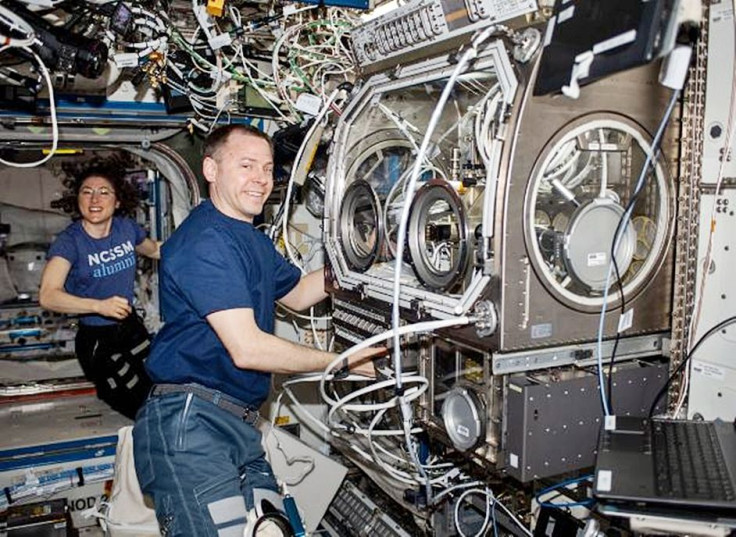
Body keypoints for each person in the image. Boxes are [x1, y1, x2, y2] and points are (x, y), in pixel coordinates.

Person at [132, 124, 378, 537]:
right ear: (211, 169)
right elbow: (247, 349)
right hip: (193, 426)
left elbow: (299, 293)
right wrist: (343, 363)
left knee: (274, 529)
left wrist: (361, 257)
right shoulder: (205, 240)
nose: (261, 179)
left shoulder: (251, 239)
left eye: (266, 168)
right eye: (246, 165)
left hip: (239, 425)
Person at [39, 164, 160, 419]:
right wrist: (98, 305)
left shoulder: (126, 229)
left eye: (104, 192)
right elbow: (48, 295)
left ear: (117, 202)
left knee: (163, 382)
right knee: (136, 403)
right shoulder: (70, 242)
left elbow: (156, 250)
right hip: (97, 339)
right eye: (87, 192)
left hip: (130, 327)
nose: (95, 199)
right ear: (77, 199)